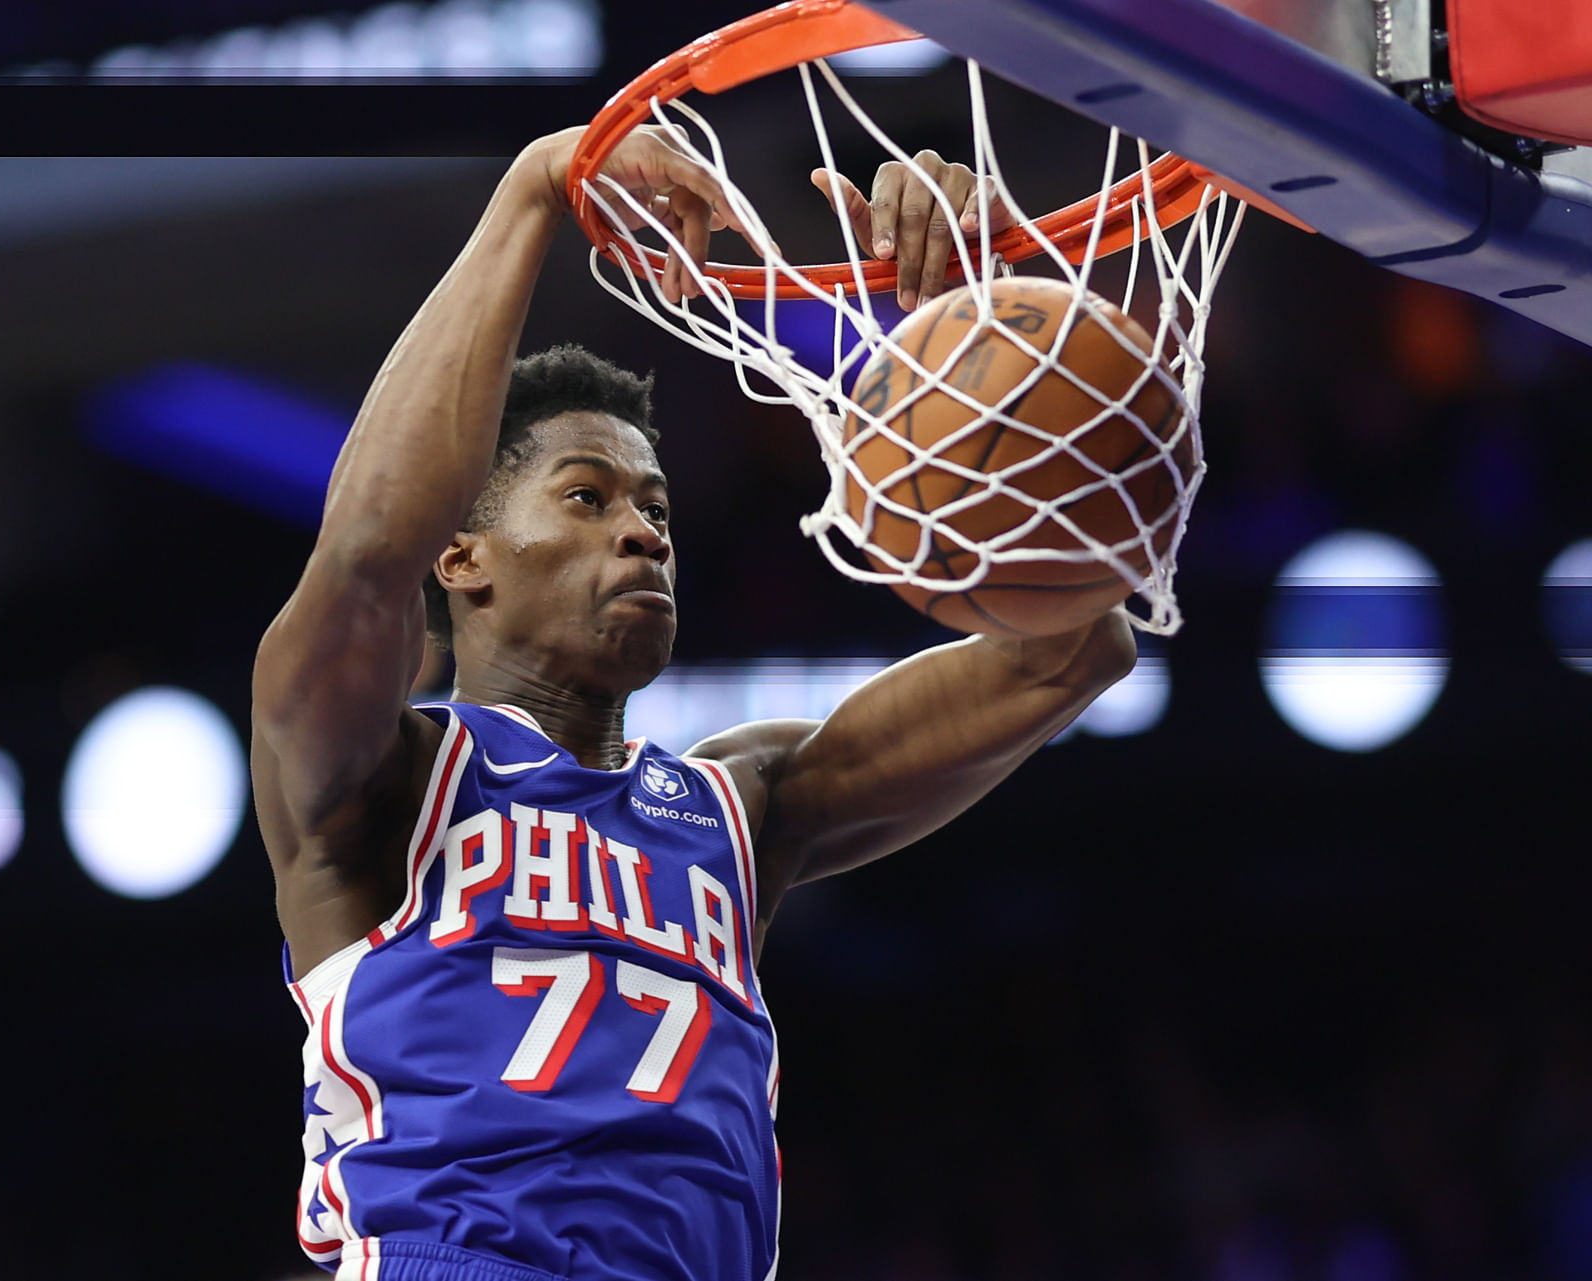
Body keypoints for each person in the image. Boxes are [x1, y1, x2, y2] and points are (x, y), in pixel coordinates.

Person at [250, 124, 1136, 1281]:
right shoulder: (381, 775)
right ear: (463, 557)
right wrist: (535, 190)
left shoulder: (738, 805)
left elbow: (1070, 650)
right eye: (587, 495)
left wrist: (975, 329)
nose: (642, 530)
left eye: (658, 509)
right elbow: (370, 547)